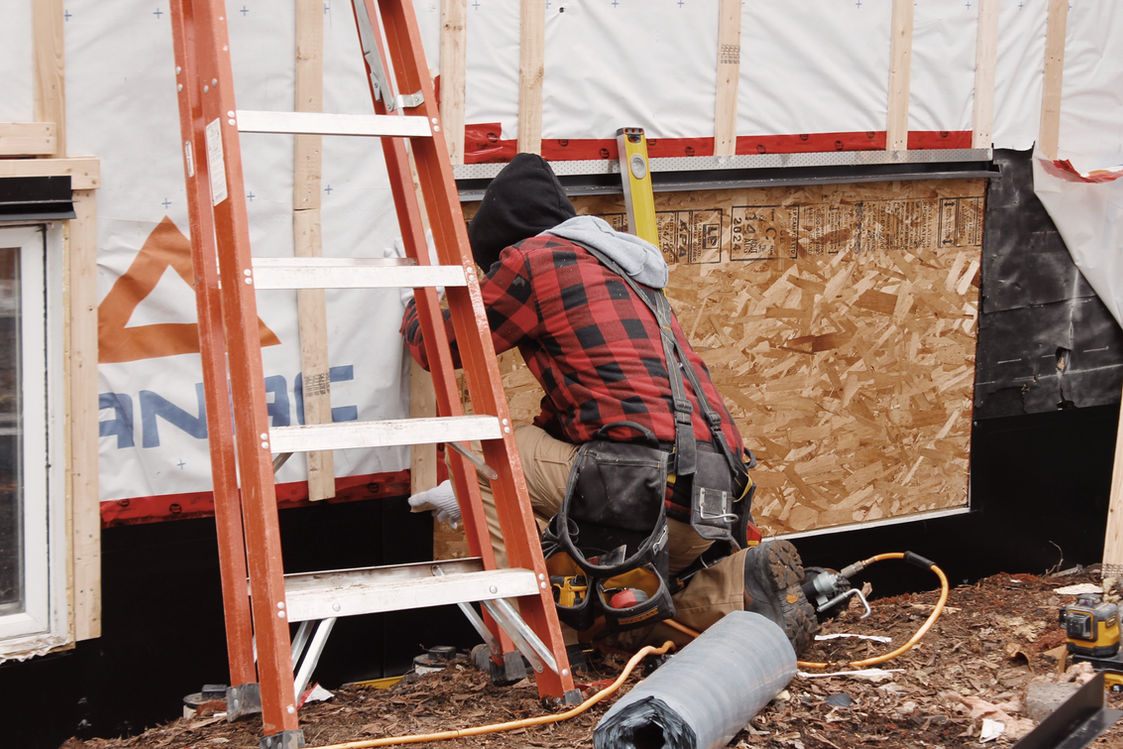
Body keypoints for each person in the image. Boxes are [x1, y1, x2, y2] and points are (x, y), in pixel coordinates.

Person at [401, 153, 818, 653]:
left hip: (641, 502)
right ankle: (740, 593)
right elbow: (583, 419)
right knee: (621, 603)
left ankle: (532, 641)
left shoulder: (535, 258)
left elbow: (439, 346)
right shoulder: (629, 272)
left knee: (478, 448)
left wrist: (411, 299)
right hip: (711, 503)